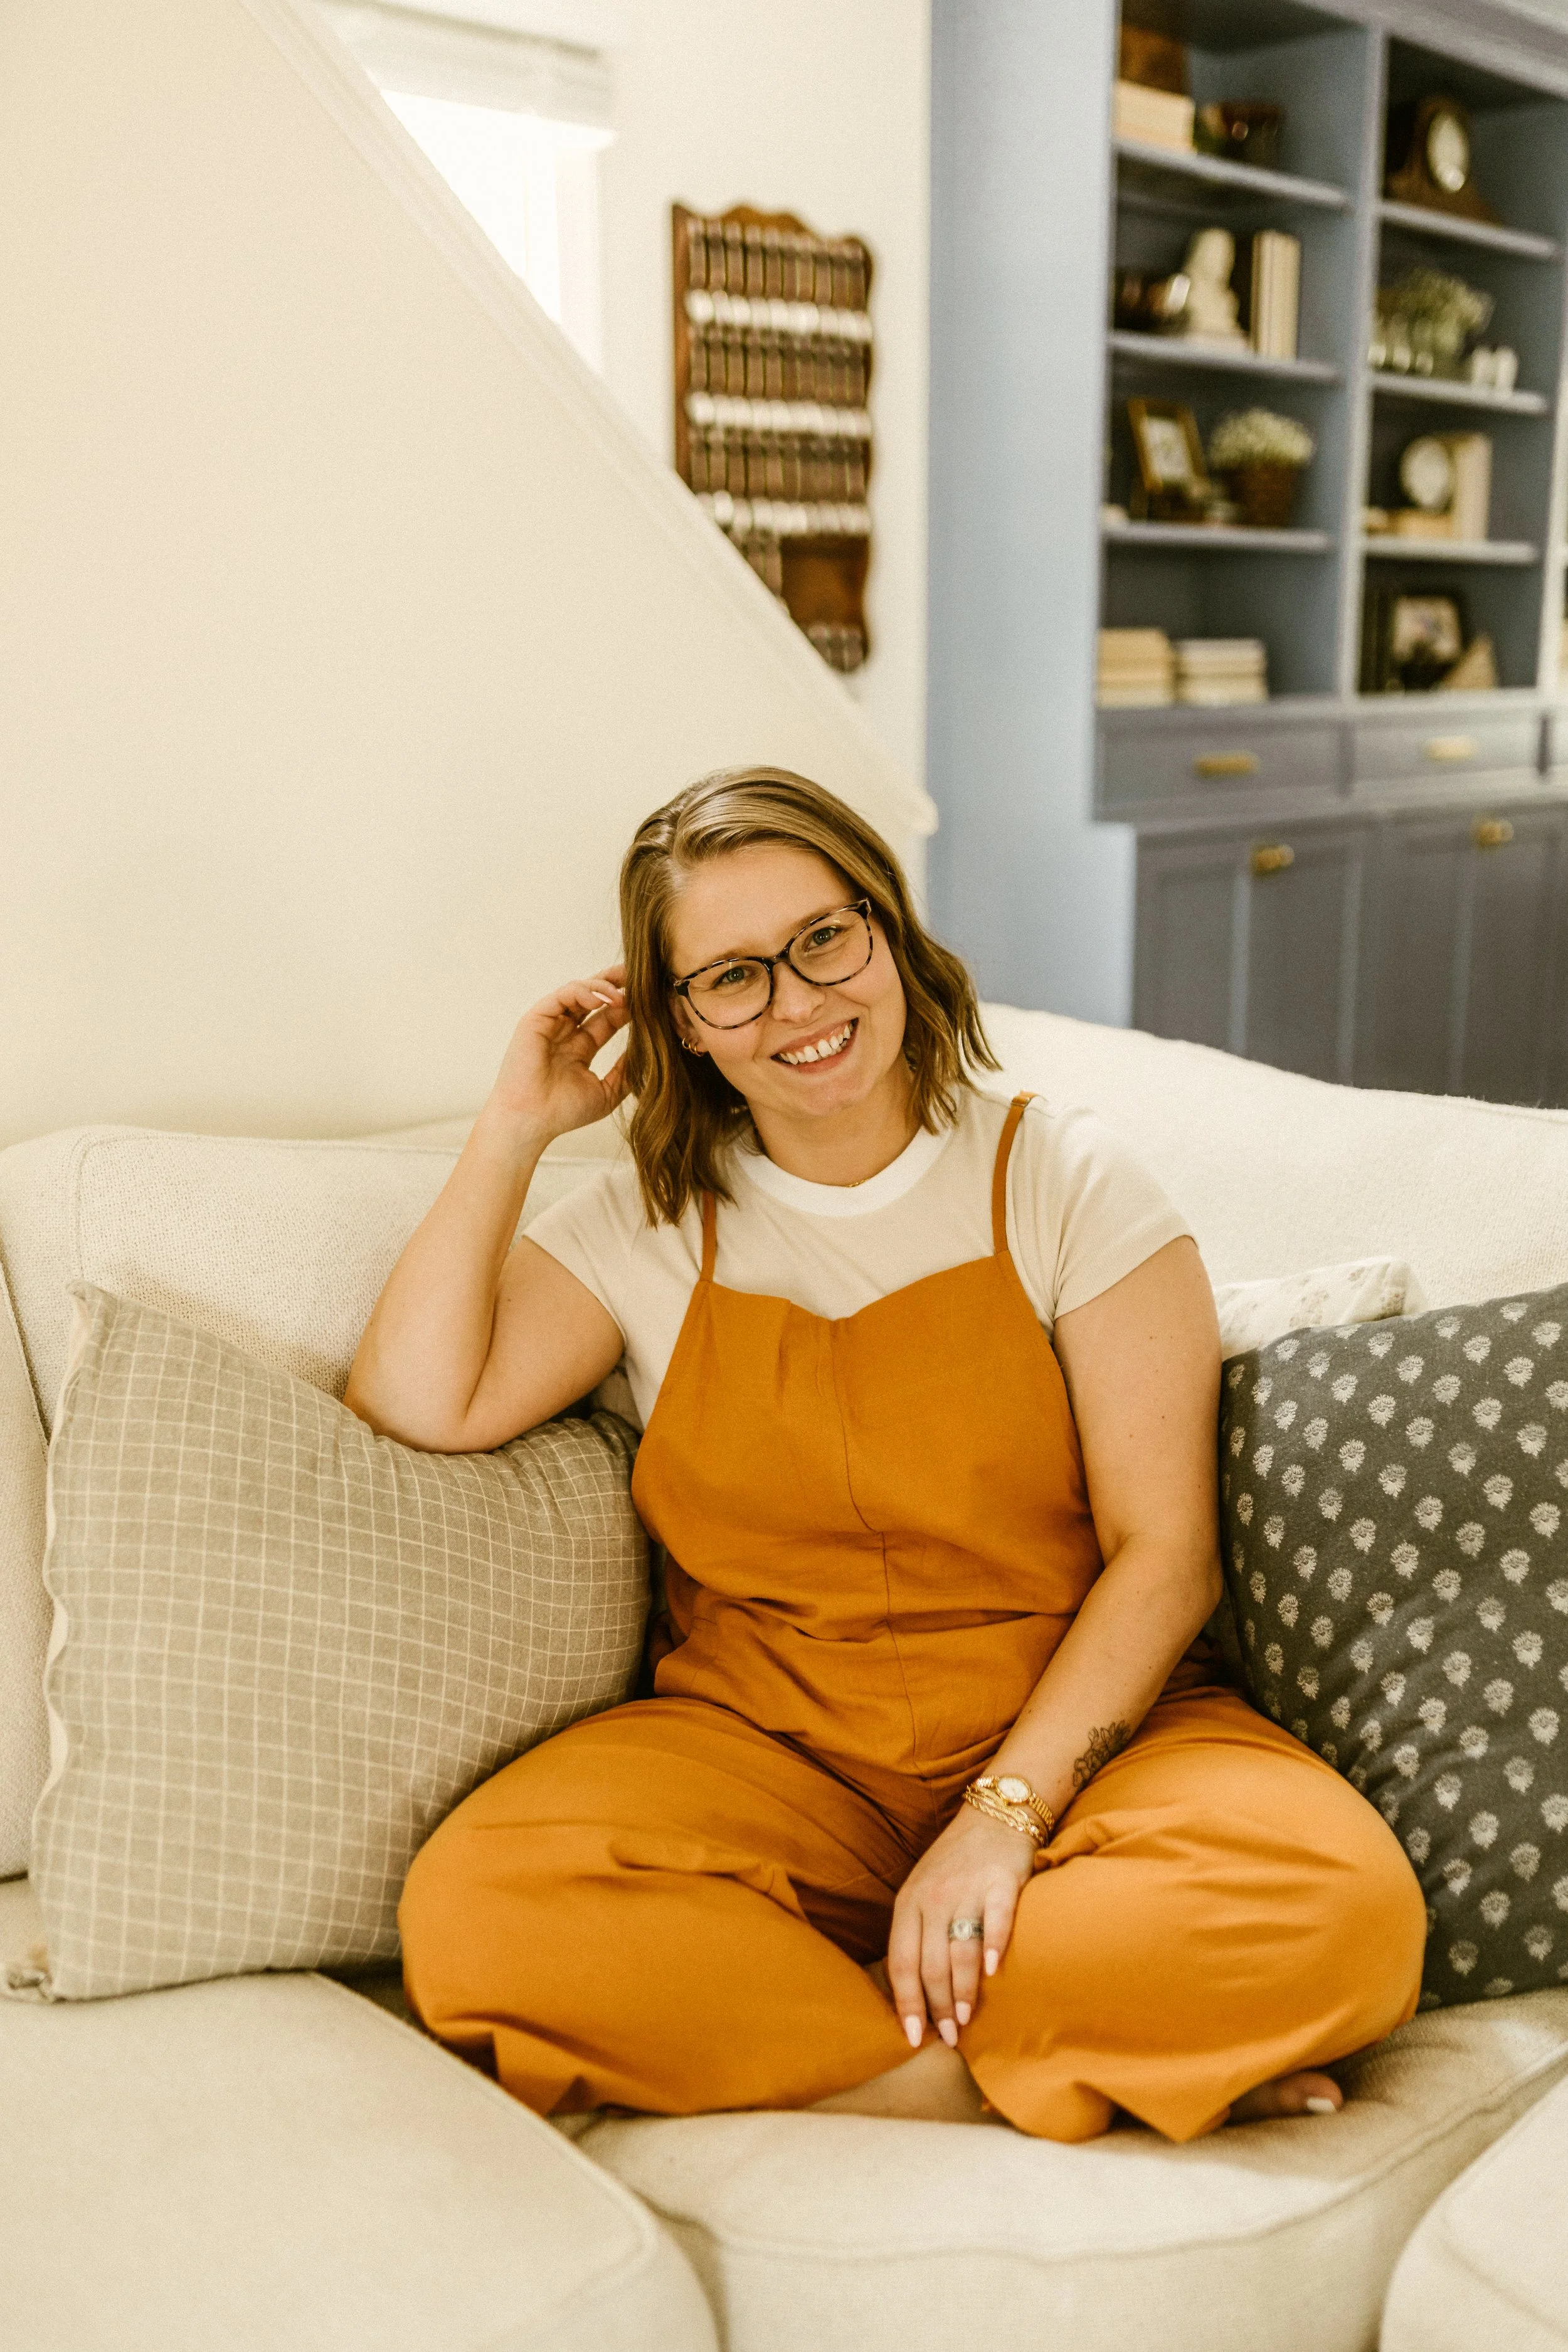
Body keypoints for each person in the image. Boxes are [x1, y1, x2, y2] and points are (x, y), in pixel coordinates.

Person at [346, 766, 1425, 2140]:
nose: (796, 1002)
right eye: (730, 977)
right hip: (771, 1751)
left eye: (821, 939)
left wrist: (1001, 1819)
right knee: (481, 1907)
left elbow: (1166, 1560)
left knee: (1338, 1912)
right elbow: (416, 1404)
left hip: (1088, 1745)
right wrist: (512, 1129)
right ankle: (980, 2072)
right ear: (676, 1023)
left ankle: (811, 2037)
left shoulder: (1067, 1180)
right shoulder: (643, 1225)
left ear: (888, 931)